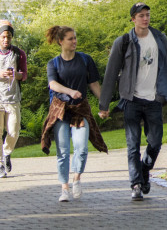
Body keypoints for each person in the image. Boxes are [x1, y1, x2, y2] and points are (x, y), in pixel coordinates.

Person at [98, 3, 167, 202]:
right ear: (133, 19)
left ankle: (144, 170)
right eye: (141, 16)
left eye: (147, 15)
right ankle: (136, 184)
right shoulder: (123, 42)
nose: (145, 19)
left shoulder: (160, 39)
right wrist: (104, 105)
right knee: (133, 145)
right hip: (131, 99)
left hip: (153, 99)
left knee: (155, 142)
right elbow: (111, 73)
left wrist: (165, 92)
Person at [40, 26, 107, 202]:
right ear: (61, 41)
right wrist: (70, 91)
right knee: (62, 151)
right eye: (70, 39)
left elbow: (93, 84)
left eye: (75, 38)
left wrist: (103, 104)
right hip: (61, 111)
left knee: (82, 148)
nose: (74, 41)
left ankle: (76, 179)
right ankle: (64, 188)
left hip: (80, 110)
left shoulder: (85, 60)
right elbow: (53, 84)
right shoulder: (53, 63)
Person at [0, 20, 26, 178]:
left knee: (14, 131)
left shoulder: (18, 53)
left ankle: (7, 152)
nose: (5, 40)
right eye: (3, 36)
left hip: (13, 98)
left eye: (8, 37)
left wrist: (15, 75)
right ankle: (0, 163)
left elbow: (24, 75)